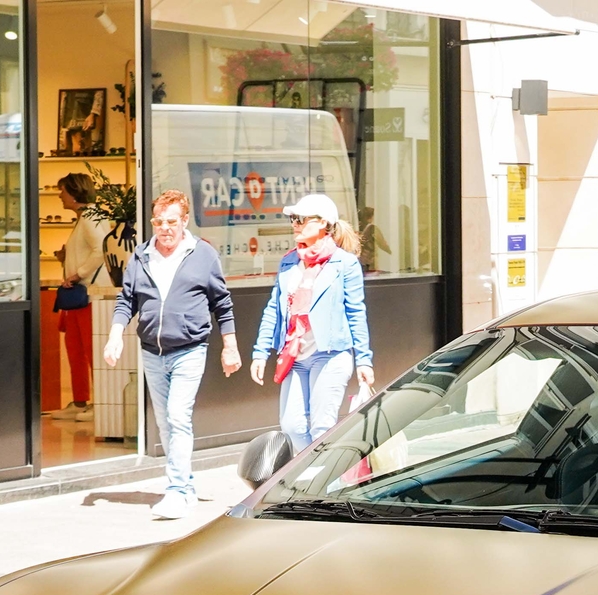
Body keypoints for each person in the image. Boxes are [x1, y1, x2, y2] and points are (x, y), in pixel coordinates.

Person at [104, 189, 241, 521]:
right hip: (152, 351)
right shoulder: (141, 256)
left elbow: (222, 304)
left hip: (190, 349)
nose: (165, 228)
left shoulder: (203, 255)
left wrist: (231, 346)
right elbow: (127, 301)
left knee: (178, 417)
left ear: (184, 221)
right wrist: (115, 336)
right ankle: (186, 486)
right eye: (159, 222)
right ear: (153, 222)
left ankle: (177, 491)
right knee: (166, 424)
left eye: (171, 222)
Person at [251, 193, 373, 451]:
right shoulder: (289, 261)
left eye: (301, 219)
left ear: (323, 223)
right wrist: (260, 352)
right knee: (292, 427)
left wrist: (364, 358)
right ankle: (313, 475)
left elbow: (355, 312)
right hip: (294, 356)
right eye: (293, 219)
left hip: (330, 355)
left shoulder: (345, 264)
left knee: (322, 428)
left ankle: (318, 483)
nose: (294, 223)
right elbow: (273, 308)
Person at [52, 173, 112, 415]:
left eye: (63, 191)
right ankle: (80, 402)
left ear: (74, 193)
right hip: (80, 296)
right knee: (76, 348)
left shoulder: (90, 218)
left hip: (87, 294)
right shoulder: (86, 218)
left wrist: (78, 273)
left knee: (88, 349)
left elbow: (101, 249)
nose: (59, 196)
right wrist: (68, 260)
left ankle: (97, 404)